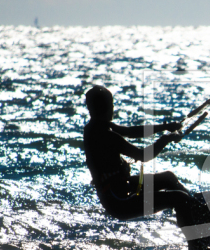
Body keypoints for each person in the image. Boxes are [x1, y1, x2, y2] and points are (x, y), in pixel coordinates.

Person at [83, 85, 195, 221]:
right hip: (120, 201)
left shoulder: (94, 127)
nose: (113, 108)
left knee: (168, 178)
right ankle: (196, 236)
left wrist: (165, 127)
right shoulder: (106, 135)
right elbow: (143, 156)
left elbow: (131, 131)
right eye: (112, 104)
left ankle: (196, 205)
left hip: (122, 189)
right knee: (179, 198)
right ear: (106, 107)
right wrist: (167, 138)